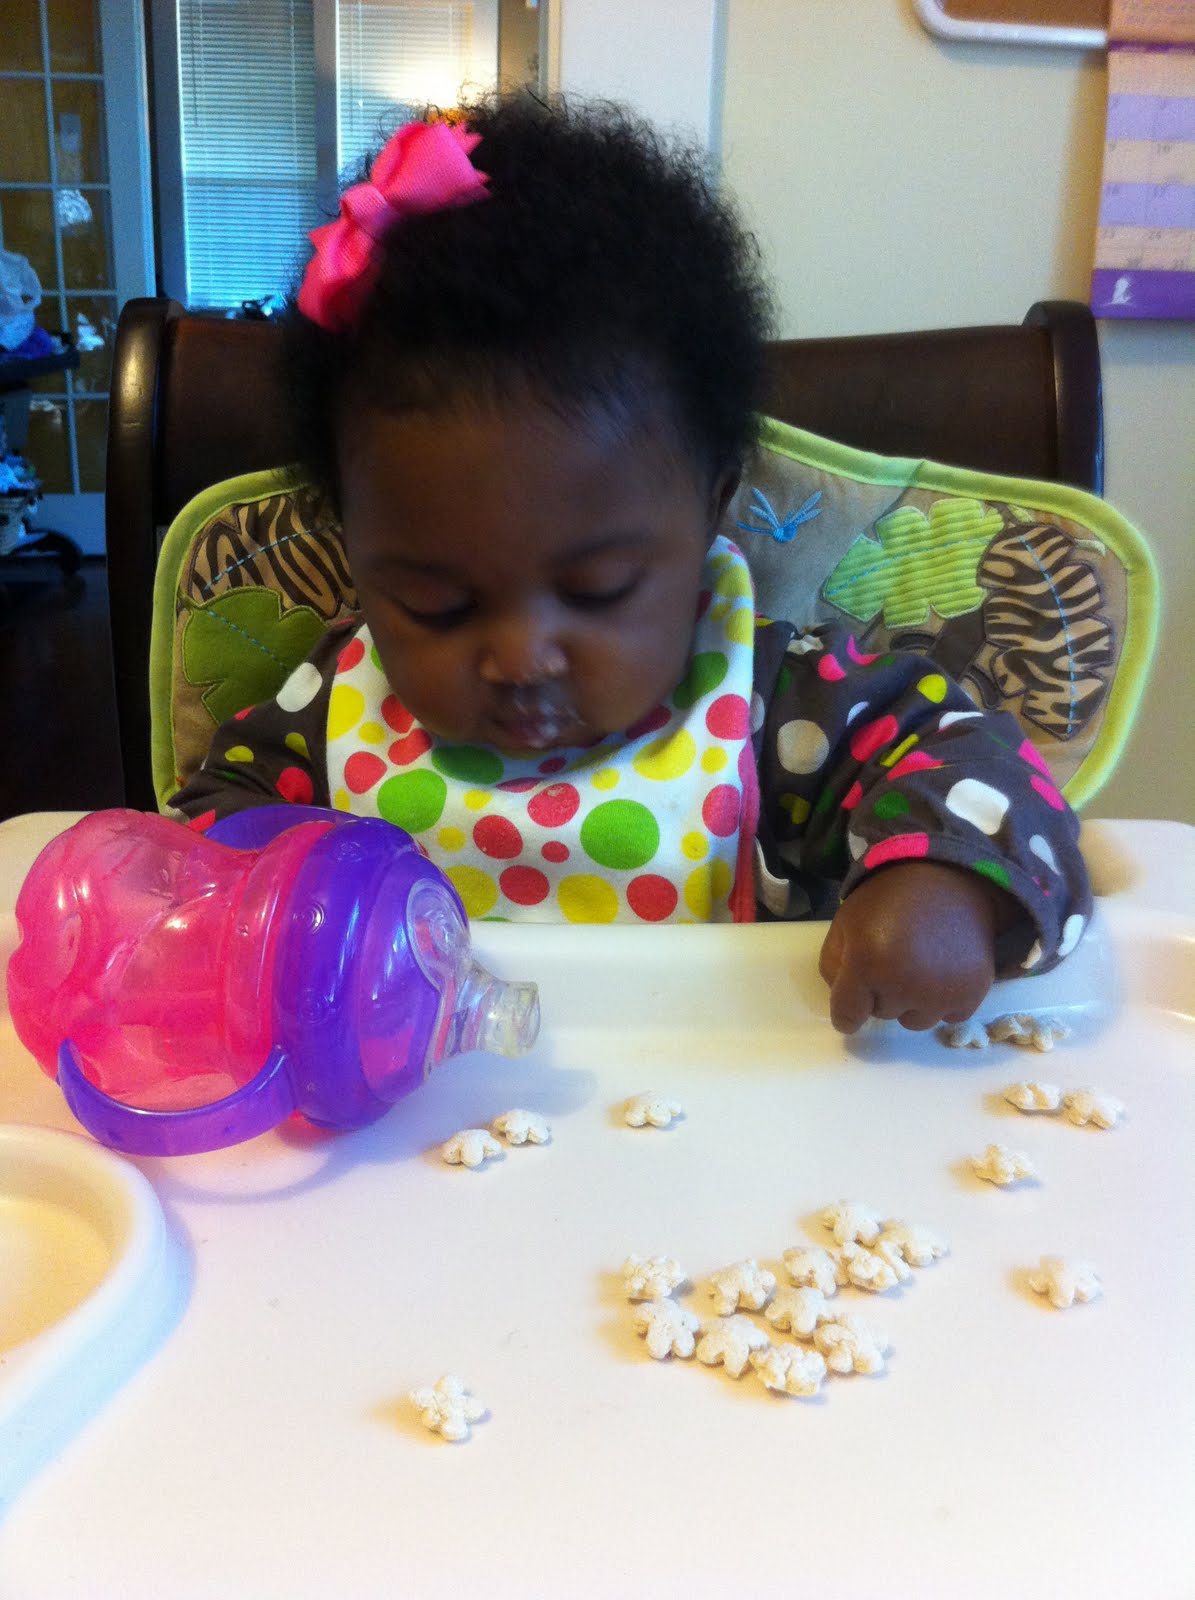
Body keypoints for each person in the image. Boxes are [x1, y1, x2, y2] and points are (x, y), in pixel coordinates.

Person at [169, 93, 1091, 1034]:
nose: (522, 656)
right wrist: (275, 904)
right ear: (354, 547)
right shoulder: (331, 715)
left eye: (597, 590)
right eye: (435, 602)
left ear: (711, 507)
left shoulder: (783, 710)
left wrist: (944, 889)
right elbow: (208, 826)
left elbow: (984, 769)